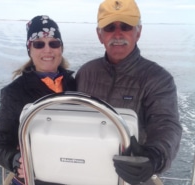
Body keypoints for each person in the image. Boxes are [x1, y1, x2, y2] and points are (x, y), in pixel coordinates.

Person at [75, 0, 182, 184]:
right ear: (100, 35)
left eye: (126, 26)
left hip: (132, 176)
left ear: (138, 32)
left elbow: (166, 124)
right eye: (109, 27)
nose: (118, 34)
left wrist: (154, 156)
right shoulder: (85, 73)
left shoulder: (159, 79)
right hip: (85, 172)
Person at [0, 15, 76, 185]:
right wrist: (16, 161)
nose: (47, 50)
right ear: (29, 49)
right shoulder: (14, 93)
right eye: (39, 44)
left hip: (72, 175)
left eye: (54, 43)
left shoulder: (76, 85)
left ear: (61, 48)